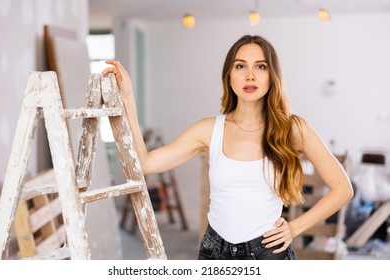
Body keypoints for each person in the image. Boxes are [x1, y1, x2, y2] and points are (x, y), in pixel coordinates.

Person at [102, 34, 353, 260]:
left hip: (267, 254)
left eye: (261, 67)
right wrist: (128, 100)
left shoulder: (293, 129)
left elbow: (342, 189)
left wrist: (295, 227)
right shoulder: (209, 129)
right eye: (240, 66)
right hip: (214, 251)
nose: (250, 75)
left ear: (271, 76)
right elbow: (146, 163)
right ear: (229, 76)